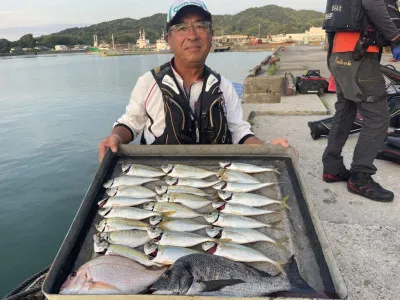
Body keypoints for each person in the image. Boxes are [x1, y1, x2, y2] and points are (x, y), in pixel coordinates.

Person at [98, 0, 288, 162]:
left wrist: (268, 148)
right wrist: (115, 137)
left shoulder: (224, 87)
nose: (192, 35)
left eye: (200, 26)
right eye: (181, 28)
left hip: (216, 179)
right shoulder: (149, 82)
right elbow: (131, 123)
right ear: (169, 39)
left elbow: (239, 132)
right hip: (161, 178)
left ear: (211, 35)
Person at [322, 0, 400, 201]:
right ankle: (360, 176)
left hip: (339, 55)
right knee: (378, 118)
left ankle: (332, 168)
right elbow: (372, 3)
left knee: (345, 110)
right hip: (361, 55)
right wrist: (396, 38)